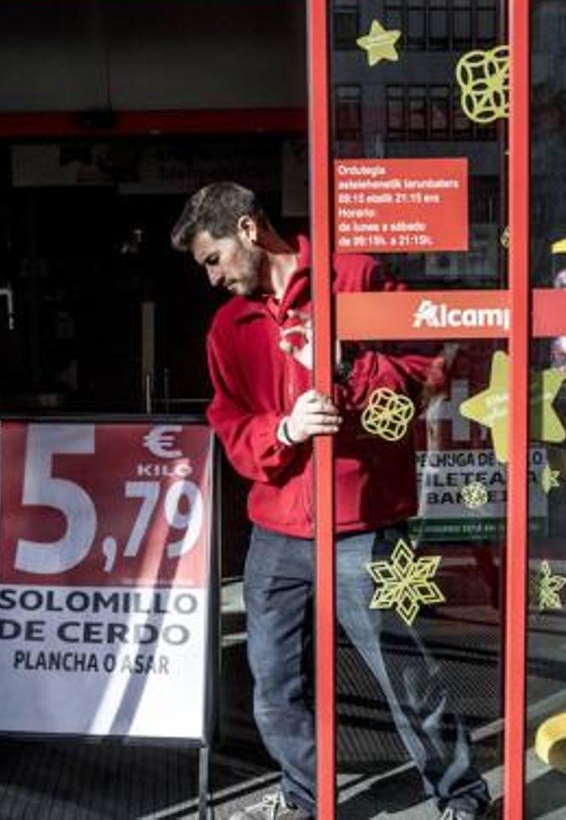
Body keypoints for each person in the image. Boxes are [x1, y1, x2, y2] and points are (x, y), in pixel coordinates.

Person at [171, 183, 493, 820]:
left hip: (364, 522)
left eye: (213, 259)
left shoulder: (357, 276)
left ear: (248, 228)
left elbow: (428, 371)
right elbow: (233, 429)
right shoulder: (228, 326)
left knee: (404, 674)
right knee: (274, 683)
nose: (211, 278)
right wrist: (284, 430)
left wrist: (344, 372)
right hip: (277, 530)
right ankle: (304, 799)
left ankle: (461, 798)